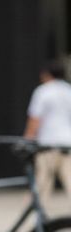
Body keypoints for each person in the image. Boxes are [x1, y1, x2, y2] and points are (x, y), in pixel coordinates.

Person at [24, 58, 71, 203]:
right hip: (68, 141)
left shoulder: (43, 91)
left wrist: (28, 137)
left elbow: (35, 118)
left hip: (48, 142)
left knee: (43, 179)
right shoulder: (68, 91)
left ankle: (38, 209)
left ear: (46, 74)